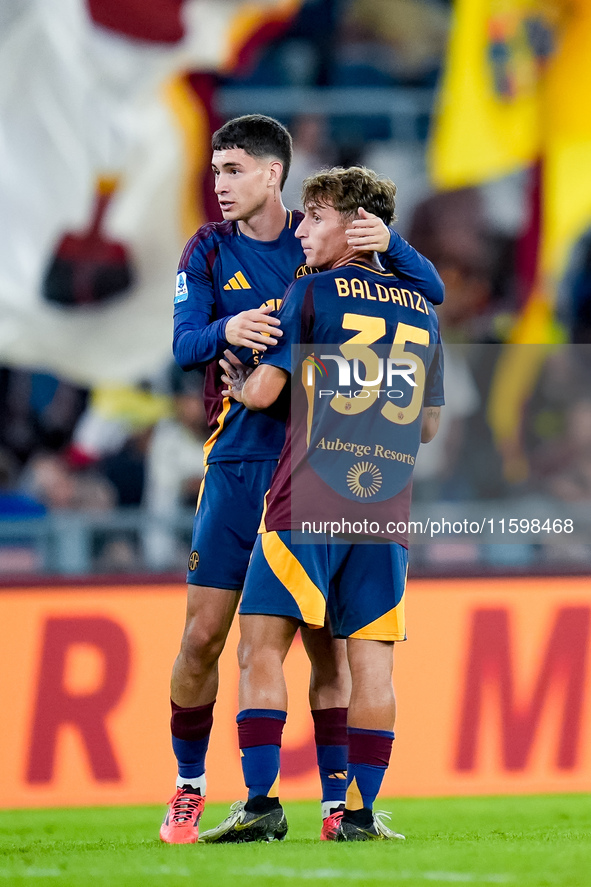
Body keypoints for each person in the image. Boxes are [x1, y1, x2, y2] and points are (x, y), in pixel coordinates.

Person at [161, 115, 445, 844]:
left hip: (306, 466)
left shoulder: (318, 247)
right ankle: (191, 785)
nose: (218, 184)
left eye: (231, 170)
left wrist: (391, 244)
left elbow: (424, 283)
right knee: (202, 636)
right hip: (247, 462)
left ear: (272, 174)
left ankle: (312, 803)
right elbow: (183, 343)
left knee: (314, 647)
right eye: (216, 170)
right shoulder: (209, 249)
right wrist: (229, 332)